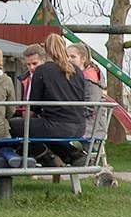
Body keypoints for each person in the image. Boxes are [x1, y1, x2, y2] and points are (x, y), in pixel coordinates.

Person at [9, 34, 88, 165]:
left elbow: (34, 106)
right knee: (41, 129)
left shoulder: (42, 71)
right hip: (80, 126)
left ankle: (46, 157)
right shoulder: (77, 71)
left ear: (45, 50)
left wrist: (27, 117)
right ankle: (73, 155)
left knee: (11, 126)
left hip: (56, 126)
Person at [67, 43, 109, 140]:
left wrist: (68, 114)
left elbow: (91, 106)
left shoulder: (90, 79)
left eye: (73, 57)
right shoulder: (77, 76)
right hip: (83, 125)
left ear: (83, 59)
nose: (69, 59)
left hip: (91, 128)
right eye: (67, 56)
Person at [14, 44, 47, 118]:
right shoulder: (23, 79)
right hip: (26, 116)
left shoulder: (49, 79)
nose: (31, 67)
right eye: (28, 64)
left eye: (35, 63)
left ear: (43, 61)